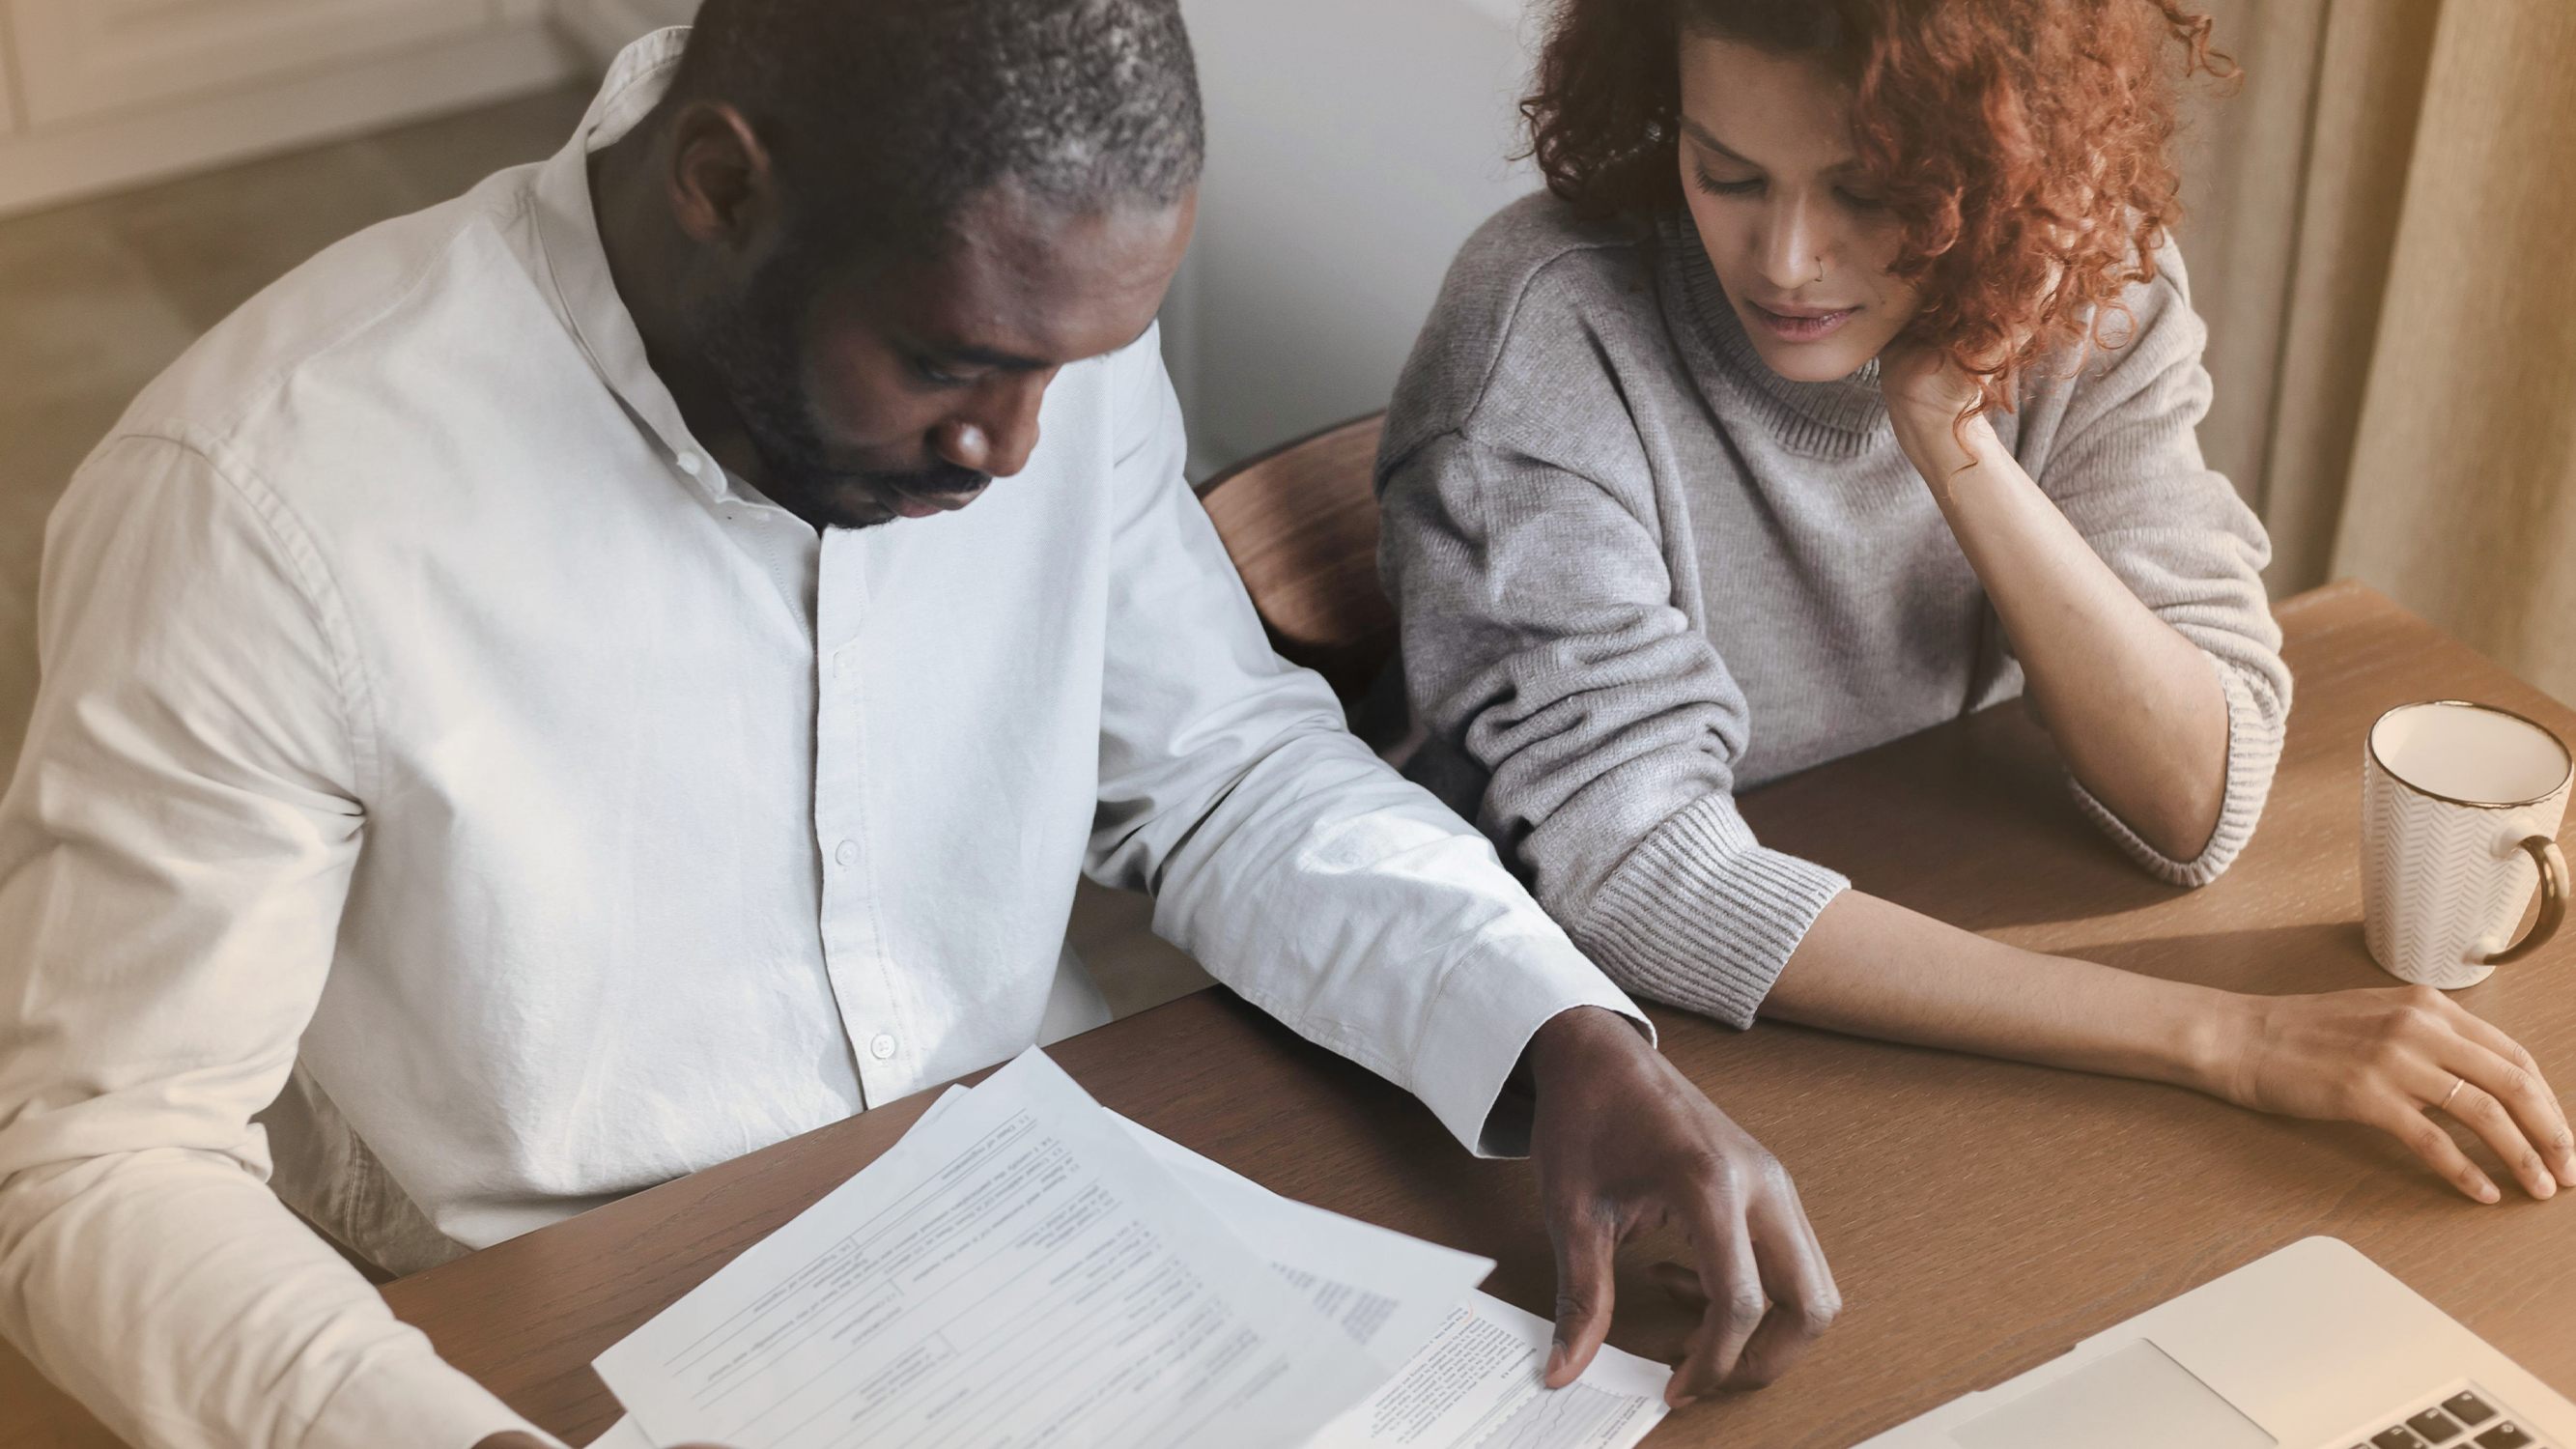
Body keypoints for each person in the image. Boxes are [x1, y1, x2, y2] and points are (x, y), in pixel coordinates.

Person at [0, 4, 1838, 1445]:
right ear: (720, 185)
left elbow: (1216, 771)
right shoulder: (257, 502)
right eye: (955, 367)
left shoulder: (1028, 324)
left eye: (1068, 370)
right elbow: (96, 1165)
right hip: (542, 1331)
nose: (1016, 452)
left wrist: (1562, 1033)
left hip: (1052, 1238)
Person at [1374, 0, 2576, 1218]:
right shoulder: (1542, 333)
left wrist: (1952, 436)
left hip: (1918, 943)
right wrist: (2227, 1040)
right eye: (1726, 172)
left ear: (2002, 165)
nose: (1787, 257)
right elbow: (1642, 871)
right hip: (1588, 1064)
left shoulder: (2079, 276)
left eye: (1868, 191)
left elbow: (2195, 799)